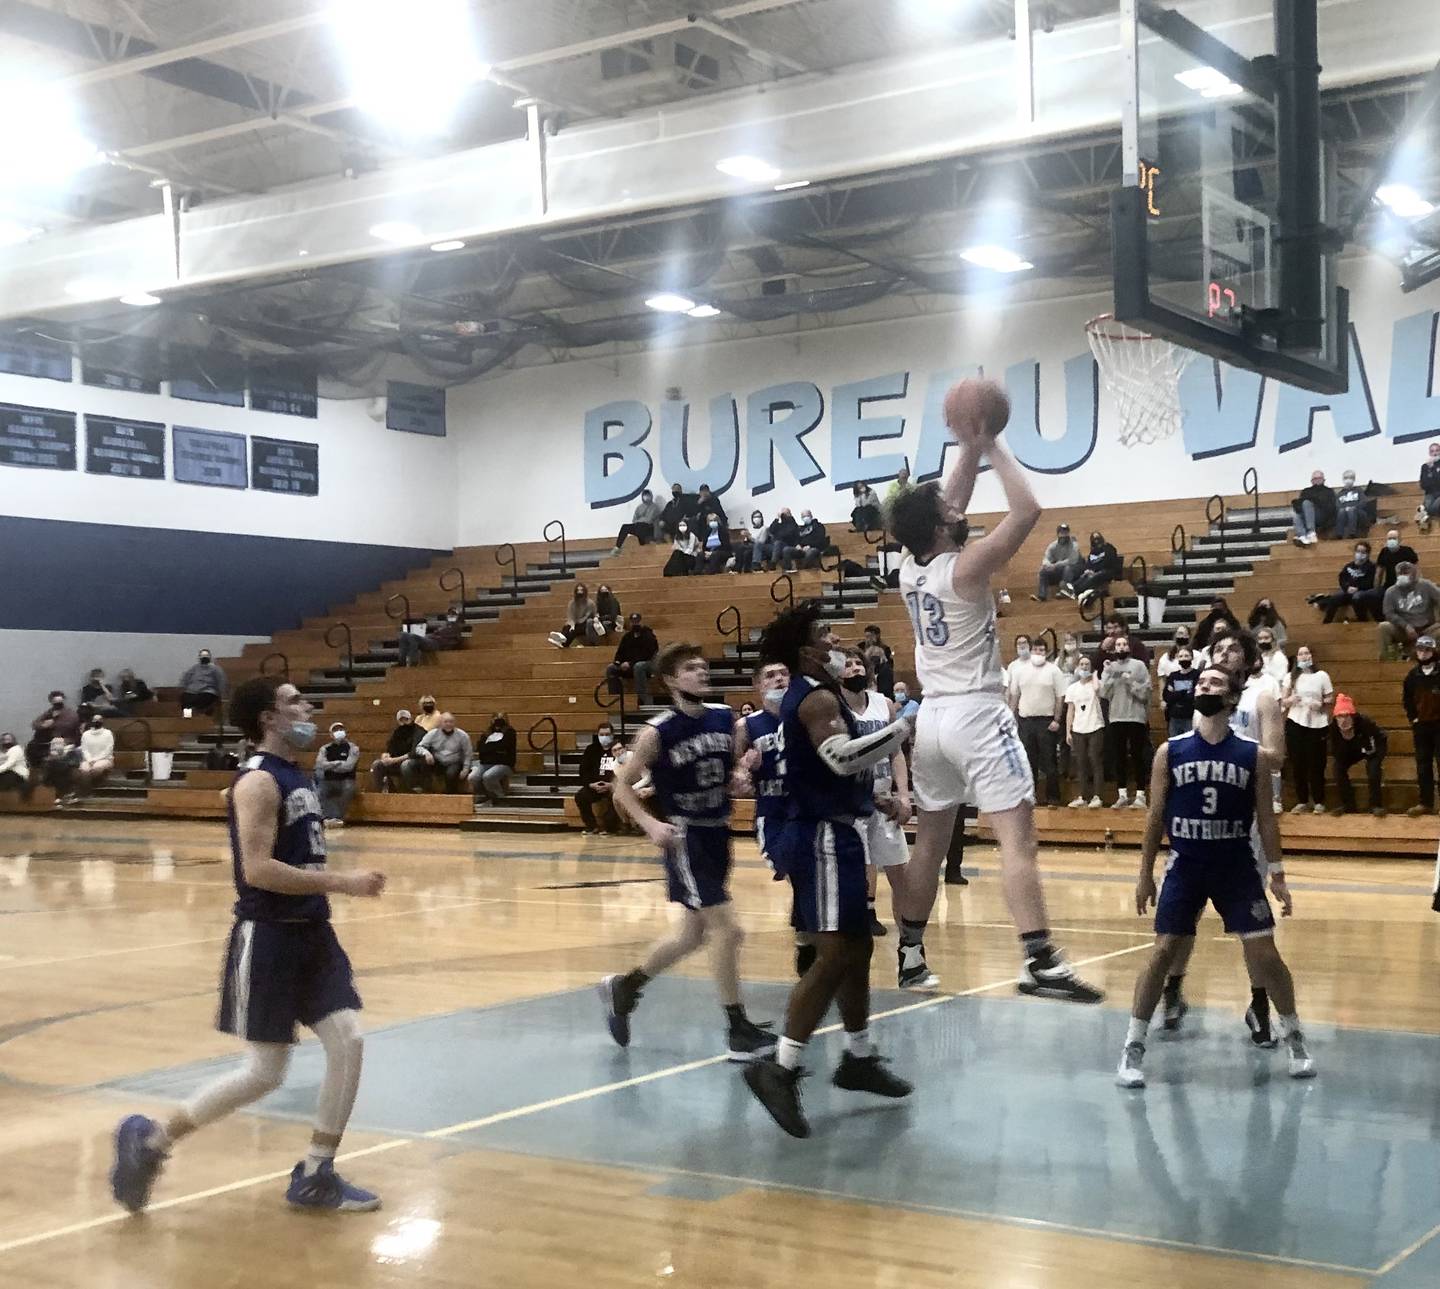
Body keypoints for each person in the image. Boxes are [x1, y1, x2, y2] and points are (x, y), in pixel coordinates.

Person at [109, 676, 386, 1216]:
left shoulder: (294, 774)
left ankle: (315, 1172)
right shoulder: (257, 782)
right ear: (268, 718)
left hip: (313, 934)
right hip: (270, 937)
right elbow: (257, 870)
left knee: (348, 1039)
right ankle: (151, 1142)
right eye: (294, 702)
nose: (306, 708)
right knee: (265, 1071)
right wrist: (342, 881)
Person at [888, 399, 1102, 1001]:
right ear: (937, 526)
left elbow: (940, 501)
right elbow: (1029, 508)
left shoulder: (911, 566)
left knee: (930, 841)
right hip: (978, 713)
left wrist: (969, 446)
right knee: (1017, 839)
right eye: (948, 510)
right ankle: (1040, 957)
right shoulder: (968, 567)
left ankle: (909, 953)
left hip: (930, 718)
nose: (958, 506)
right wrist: (995, 443)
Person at [743, 605, 913, 1137]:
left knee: (858, 946)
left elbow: (832, 771)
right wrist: (906, 725)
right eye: (824, 634)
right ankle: (781, 1067)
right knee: (835, 950)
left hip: (837, 826)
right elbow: (841, 758)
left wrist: (874, 799)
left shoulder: (822, 693)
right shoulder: (815, 696)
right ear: (804, 651)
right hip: (817, 835)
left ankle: (858, 1057)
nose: (836, 639)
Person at [1115, 664, 1314, 1089]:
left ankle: (1295, 1034)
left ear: (1231, 698)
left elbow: (1266, 818)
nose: (1205, 687)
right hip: (1185, 864)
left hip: (1235, 866)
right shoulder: (1170, 751)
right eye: (1202, 682)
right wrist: (1143, 874)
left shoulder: (1253, 756)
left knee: (1264, 954)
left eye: (1215, 684)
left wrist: (1278, 874)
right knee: (1165, 949)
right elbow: (1154, 817)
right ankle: (1133, 1044)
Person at [597, 644, 775, 1061]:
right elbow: (623, 786)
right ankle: (737, 1029)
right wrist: (651, 824)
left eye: (702, 666)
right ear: (672, 680)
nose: (701, 672)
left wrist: (739, 779)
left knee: (693, 934)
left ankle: (625, 988)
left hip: (718, 832)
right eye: (691, 668)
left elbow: (727, 770)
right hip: (686, 836)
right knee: (729, 931)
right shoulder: (657, 732)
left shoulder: (723, 717)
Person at [1164, 625, 1286, 1042]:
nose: (1224, 653)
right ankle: (1173, 990)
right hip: (1202, 811)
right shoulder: (1207, 696)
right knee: (1188, 910)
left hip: (1245, 809)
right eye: (1218, 648)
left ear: (1250, 659)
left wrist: (1238, 754)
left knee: (1252, 922)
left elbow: (1279, 756)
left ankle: (1259, 1004)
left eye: (1233, 647)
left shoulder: (1263, 694)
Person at [838, 649, 914, 936]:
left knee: (901, 875)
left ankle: (910, 943)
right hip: (852, 803)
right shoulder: (833, 708)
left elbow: (896, 753)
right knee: (856, 876)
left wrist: (904, 796)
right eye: (848, 664)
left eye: (859, 663)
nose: (855, 668)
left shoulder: (884, 705)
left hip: (885, 802)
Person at [733, 662, 789, 868]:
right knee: (784, 866)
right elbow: (736, 771)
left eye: (784, 674)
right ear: (758, 684)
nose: (779, 679)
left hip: (803, 805)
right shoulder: (746, 725)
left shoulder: (804, 717)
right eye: (771, 675)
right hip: (771, 808)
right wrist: (744, 768)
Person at [1011, 635, 1066, 807]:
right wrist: (1011, 718)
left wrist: (1057, 719)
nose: (1038, 652)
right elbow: (1014, 696)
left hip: (1046, 721)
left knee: (1049, 761)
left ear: (1046, 652)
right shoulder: (1019, 670)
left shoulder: (1054, 671)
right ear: (1031, 650)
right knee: (1028, 761)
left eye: (1042, 650)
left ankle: (1053, 797)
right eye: (1036, 649)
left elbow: (1060, 697)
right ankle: (1030, 797)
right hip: (1025, 721)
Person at [1280, 645, 1333, 813]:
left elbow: (1330, 698)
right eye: (1300, 654)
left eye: (1306, 653)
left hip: (1317, 723)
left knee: (1316, 763)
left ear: (1311, 656)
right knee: (1298, 763)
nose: (1304, 656)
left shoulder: (1321, 675)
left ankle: (1319, 801)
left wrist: (1321, 704)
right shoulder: (1290, 677)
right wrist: (1291, 699)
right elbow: (1283, 701)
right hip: (1296, 720)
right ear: (1297, 658)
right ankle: (1302, 800)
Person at [1101, 634, 1152, 809]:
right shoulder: (1111, 667)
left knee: (1138, 756)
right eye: (1118, 645)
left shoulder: (1139, 666)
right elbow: (1103, 693)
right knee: (1119, 757)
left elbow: (1145, 693)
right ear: (1115, 649)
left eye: (1124, 644)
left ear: (1128, 648)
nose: (1121, 647)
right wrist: (1108, 675)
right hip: (1116, 717)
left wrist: (1130, 681)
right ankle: (1121, 794)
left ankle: (1140, 795)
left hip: (1136, 717)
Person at [1330, 694, 1387, 817]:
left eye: (1347, 716)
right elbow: (1336, 753)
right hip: (1348, 750)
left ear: (1353, 717)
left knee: (1373, 770)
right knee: (1338, 769)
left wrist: (1376, 757)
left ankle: (1376, 805)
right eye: (1340, 716)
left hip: (1371, 747)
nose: (1343, 720)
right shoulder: (1333, 729)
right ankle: (1348, 805)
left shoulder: (1365, 724)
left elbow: (1379, 740)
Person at [1403, 634, 1440, 817]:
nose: (1423, 653)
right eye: (1419, 650)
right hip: (1421, 727)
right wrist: (1413, 719)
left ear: (1433, 651)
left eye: (1426, 650)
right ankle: (1425, 803)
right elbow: (1407, 700)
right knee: (1423, 765)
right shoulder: (1412, 676)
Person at [1065, 658, 1105, 807]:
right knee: (1080, 763)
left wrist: (1094, 674)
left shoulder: (1096, 683)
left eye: (1087, 664)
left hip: (1095, 726)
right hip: (1078, 729)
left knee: (1094, 759)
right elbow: (1070, 711)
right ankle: (1083, 796)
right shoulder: (1072, 688)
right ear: (1077, 667)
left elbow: (1097, 690)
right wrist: (1068, 731)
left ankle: (1097, 796)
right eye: (1081, 664)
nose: (1084, 667)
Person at [1380, 562, 1440, 660]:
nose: (1403, 576)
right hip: (1404, 631)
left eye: (1406, 573)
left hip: (1427, 629)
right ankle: (1386, 661)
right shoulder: (1391, 591)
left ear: (1414, 574)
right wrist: (1405, 626)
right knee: (1383, 627)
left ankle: (1428, 660)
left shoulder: (1426, 585)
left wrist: (1438, 622)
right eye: (1400, 573)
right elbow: (1388, 613)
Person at [1314, 540, 1384, 622]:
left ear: (1368, 554)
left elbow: (1370, 582)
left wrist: (1358, 588)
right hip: (1348, 591)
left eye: (1363, 552)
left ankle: (1363, 621)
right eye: (1358, 551)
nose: (1360, 554)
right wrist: (1347, 587)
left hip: (1362, 593)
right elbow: (1342, 578)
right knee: (1335, 597)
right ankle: (1327, 622)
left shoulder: (1371, 567)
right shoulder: (1349, 566)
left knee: (1357, 598)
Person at [403, 712, 471, 793]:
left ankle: (451, 796)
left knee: (451, 774)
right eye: (446, 722)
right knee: (422, 762)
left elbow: (468, 754)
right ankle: (425, 791)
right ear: (440, 723)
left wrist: (466, 769)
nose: (448, 724)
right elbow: (419, 747)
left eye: (451, 722)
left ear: (454, 723)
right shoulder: (433, 733)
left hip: (454, 762)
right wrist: (426, 753)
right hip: (437, 761)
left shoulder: (463, 735)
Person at [574, 722, 622, 834]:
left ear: (612, 735)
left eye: (607, 734)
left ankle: (609, 827)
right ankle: (591, 826)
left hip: (613, 786)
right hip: (595, 785)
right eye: (602, 734)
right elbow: (583, 771)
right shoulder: (591, 749)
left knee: (616, 798)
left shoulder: (618, 749)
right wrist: (591, 784)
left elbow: (624, 770)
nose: (604, 737)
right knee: (581, 796)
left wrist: (612, 785)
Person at [606, 612, 659, 708]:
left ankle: (643, 699)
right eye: (633, 622)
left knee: (639, 666)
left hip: (647, 664)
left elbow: (648, 654)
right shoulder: (627, 637)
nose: (635, 624)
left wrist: (630, 663)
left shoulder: (648, 635)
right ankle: (615, 699)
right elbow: (620, 652)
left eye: (637, 621)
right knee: (611, 668)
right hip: (628, 665)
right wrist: (618, 662)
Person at [311, 722, 358, 828]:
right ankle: (327, 817)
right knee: (320, 791)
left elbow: (348, 766)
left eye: (341, 729)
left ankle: (338, 817)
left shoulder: (353, 748)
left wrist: (330, 765)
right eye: (335, 730)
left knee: (349, 789)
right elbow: (319, 764)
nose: (339, 732)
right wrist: (337, 763)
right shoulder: (325, 749)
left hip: (346, 779)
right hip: (328, 780)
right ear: (331, 734)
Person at [1063, 529, 1122, 607]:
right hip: (1095, 572)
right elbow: (1089, 564)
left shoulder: (1108, 547)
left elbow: (1109, 561)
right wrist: (1088, 570)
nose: (1096, 541)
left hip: (1108, 571)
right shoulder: (1093, 552)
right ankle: (1072, 588)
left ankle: (1076, 592)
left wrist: (1095, 570)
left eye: (1098, 538)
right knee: (1085, 575)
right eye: (1094, 539)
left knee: (1094, 576)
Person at [370, 709, 423, 793]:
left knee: (406, 765)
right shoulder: (397, 732)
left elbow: (415, 752)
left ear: (410, 719)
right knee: (377, 764)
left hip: (415, 763)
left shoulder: (419, 731)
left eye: (406, 719)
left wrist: (395, 760)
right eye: (401, 720)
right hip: (397, 761)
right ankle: (387, 791)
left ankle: (413, 791)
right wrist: (386, 755)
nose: (404, 722)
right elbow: (390, 747)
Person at [470, 713, 516, 806]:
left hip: (504, 764)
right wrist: (496, 749)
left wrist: (489, 747)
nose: (497, 721)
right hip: (486, 763)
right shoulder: (487, 733)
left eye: (500, 718)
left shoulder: (510, 732)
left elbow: (505, 746)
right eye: (495, 718)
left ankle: (499, 797)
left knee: (488, 776)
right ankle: (486, 795)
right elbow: (480, 748)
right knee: (473, 778)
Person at [1033, 522, 1078, 602]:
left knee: (1068, 568)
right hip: (1058, 571)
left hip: (1073, 571)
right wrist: (1048, 565)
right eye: (1062, 533)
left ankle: (1065, 590)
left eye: (1066, 532)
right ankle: (1042, 595)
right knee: (1043, 571)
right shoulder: (1053, 546)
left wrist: (1056, 565)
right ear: (1058, 534)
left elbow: (1072, 560)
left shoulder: (1073, 544)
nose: (1064, 535)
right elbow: (1046, 558)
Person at [1290, 469, 1336, 546]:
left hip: (1322, 516)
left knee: (1306, 503)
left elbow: (1331, 508)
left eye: (1319, 478)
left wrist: (1314, 502)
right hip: (1307, 514)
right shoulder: (1306, 491)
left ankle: (1311, 532)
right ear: (1312, 481)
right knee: (1295, 513)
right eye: (1315, 478)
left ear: (1323, 480)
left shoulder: (1329, 491)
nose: (1317, 480)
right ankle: (1302, 535)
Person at [179, 649, 228, 717]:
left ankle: (203, 715)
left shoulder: (216, 669)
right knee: (185, 698)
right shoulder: (194, 668)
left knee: (205, 698)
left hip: (207, 691)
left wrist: (221, 694)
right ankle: (188, 717)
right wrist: (183, 687)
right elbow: (185, 679)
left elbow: (221, 681)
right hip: (192, 691)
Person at [612, 488, 663, 553]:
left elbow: (649, 519)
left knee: (642, 527)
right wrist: (641, 519)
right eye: (645, 496)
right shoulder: (639, 507)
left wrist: (640, 519)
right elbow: (634, 520)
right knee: (625, 527)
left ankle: (644, 546)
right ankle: (617, 547)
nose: (646, 497)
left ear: (651, 496)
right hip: (638, 526)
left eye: (648, 496)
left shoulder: (654, 507)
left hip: (648, 527)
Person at [1161, 647, 1197, 737]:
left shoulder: (1197, 675)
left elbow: (1192, 696)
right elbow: (1167, 696)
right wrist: (1184, 692)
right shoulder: (1173, 676)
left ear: (1192, 658)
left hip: (1190, 716)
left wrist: (1176, 694)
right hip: (1174, 717)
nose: (1184, 658)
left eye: (1186, 656)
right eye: (1181, 656)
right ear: (1177, 658)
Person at [549, 583, 599, 648]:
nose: (579, 592)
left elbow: (595, 614)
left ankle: (564, 644)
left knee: (573, 631)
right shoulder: (572, 603)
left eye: (581, 590)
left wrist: (595, 618)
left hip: (585, 624)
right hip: (575, 623)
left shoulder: (590, 603)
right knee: (566, 627)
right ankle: (560, 639)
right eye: (578, 590)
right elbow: (570, 616)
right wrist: (572, 624)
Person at [77, 714, 116, 796]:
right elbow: (84, 749)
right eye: (95, 720)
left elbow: (108, 750)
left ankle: (92, 790)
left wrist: (96, 759)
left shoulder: (108, 733)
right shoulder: (86, 734)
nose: (97, 722)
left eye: (99, 720)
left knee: (96, 768)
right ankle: (86, 792)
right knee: (84, 770)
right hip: (88, 759)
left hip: (105, 759)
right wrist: (89, 759)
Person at [1376, 528, 1419, 593]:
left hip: (1406, 586)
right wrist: (1376, 589)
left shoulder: (1408, 551)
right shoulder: (1384, 552)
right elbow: (1379, 574)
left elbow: (1416, 570)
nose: (1391, 540)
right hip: (1389, 587)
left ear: (1400, 540)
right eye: (1389, 539)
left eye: (1394, 538)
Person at [1334, 469, 1372, 539]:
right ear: (1343, 480)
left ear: (1354, 479)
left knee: (1351, 510)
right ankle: (1339, 534)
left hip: (1359, 512)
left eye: (1350, 478)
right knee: (1341, 511)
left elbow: (1363, 502)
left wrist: (1354, 507)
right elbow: (1337, 505)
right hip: (1344, 513)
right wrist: (1345, 508)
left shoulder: (1359, 490)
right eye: (1346, 478)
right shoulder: (1340, 493)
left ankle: (1352, 533)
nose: (1348, 480)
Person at [862, 624, 895, 697]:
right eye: (866, 637)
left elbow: (889, 665)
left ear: (877, 636)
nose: (868, 639)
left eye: (871, 636)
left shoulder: (885, 648)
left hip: (881, 677)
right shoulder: (861, 646)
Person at [0, 732, 31, 799]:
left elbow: (9, 764)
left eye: (8, 739)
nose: (6, 741)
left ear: (13, 740)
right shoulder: (2, 752)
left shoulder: (16, 749)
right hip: (6, 773)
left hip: (18, 775)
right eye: (4, 740)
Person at [1421, 442, 1440, 519]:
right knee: (1428, 507)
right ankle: (1423, 512)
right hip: (1430, 494)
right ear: (1429, 453)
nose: (1435, 453)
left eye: (1437, 450)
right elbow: (1424, 485)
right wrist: (1430, 469)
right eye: (1432, 451)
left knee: (1434, 507)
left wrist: (1433, 471)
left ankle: (1423, 512)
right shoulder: (1425, 467)